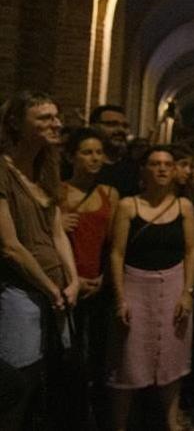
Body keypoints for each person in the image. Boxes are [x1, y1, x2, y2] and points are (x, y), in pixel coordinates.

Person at [0, 91, 80, 430]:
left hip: (57, 292)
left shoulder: (46, 169)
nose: (56, 124)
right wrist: (49, 287)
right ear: (18, 122)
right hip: (22, 290)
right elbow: (10, 246)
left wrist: (72, 280)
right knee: (20, 382)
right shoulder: (3, 170)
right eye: (45, 118)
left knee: (53, 383)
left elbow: (57, 232)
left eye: (56, 116)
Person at [107, 145, 194, 431]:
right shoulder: (128, 206)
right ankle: (120, 425)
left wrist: (187, 291)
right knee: (129, 359)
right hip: (136, 284)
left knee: (172, 355)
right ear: (145, 169)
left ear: (174, 171)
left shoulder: (184, 207)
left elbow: (191, 251)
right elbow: (117, 254)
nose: (161, 169)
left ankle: (171, 422)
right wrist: (120, 298)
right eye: (155, 163)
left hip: (172, 283)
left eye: (167, 164)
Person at [61, 126, 119, 420]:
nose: (95, 158)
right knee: (68, 356)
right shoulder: (58, 192)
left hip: (98, 284)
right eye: (87, 152)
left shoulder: (109, 193)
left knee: (97, 356)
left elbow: (114, 245)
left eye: (98, 152)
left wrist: (104, 279)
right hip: (66, 283)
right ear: (72, 156)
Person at [91, 104, 140, 197]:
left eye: (125, 126)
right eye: (112, 124)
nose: (121, 130)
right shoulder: (81, 166)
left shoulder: (133, 168)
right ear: (93, 127)